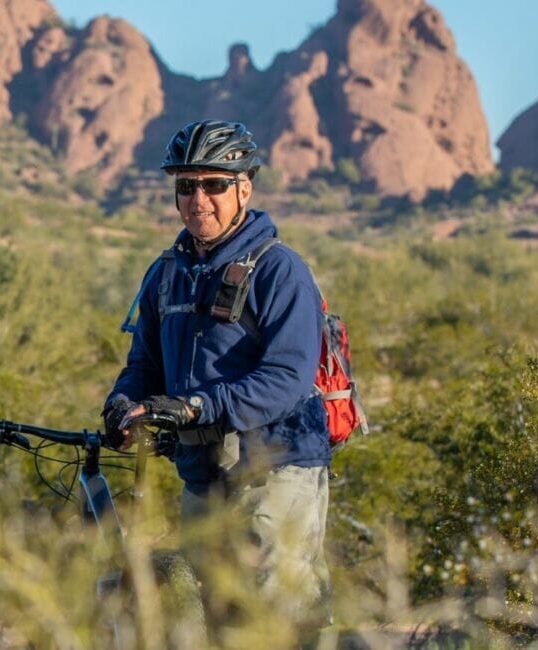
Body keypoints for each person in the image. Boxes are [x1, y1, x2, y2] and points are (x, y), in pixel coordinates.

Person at [104, 119, 331, 621]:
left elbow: (288, 378)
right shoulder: (167, 273)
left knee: (271, 617)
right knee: (210, 614)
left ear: (243, 188)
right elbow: (143, 364)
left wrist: (196, 405)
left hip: (277, 466)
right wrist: (122, 404)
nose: (197, 198)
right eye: (186, 186)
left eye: (213, 184)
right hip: (203, 473)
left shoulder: (279, 269)